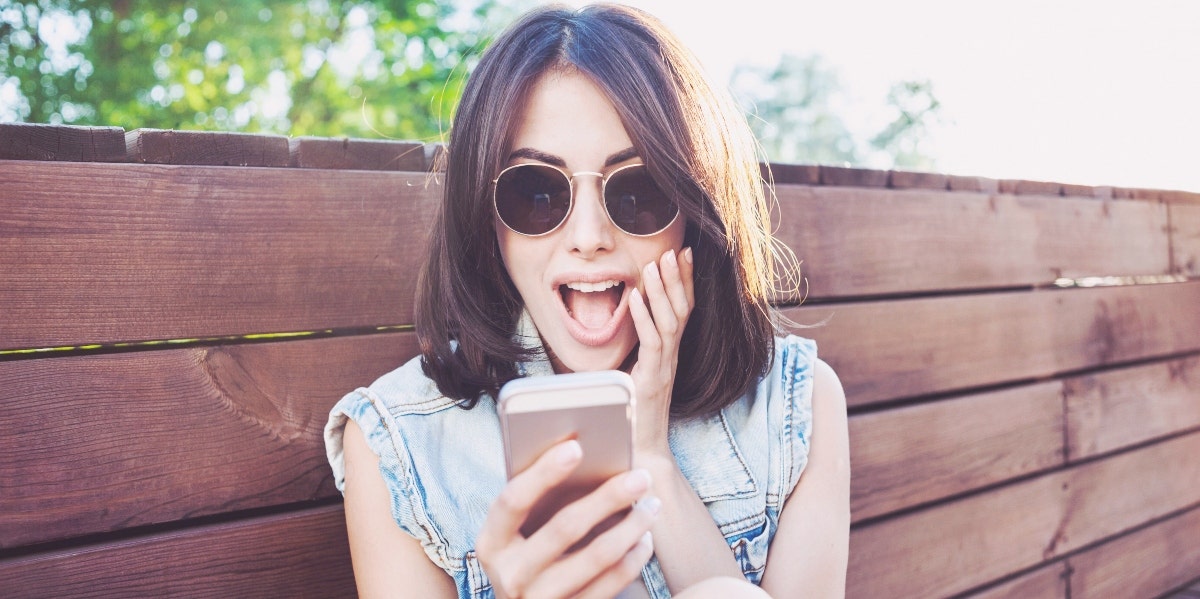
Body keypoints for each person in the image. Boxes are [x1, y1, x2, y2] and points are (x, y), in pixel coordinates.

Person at [324, 3, 850, 598]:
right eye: (537, 193)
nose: (589, 237)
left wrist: (651, 460)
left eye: (639, 190)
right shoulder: (400, 443)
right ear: (483, 217)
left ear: (695, 215)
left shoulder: (794, 401)